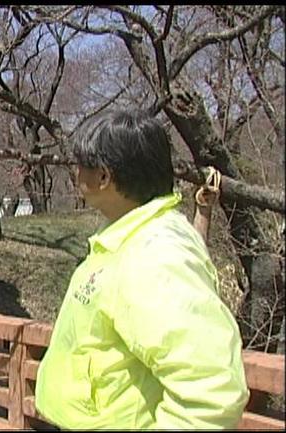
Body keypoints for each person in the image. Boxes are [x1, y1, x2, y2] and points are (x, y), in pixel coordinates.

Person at [35, 110, 249, 429]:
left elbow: (210, 396)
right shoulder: (131, 238)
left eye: (79, 166)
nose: (75, 174)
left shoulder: (156, 254)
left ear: (104, 177)